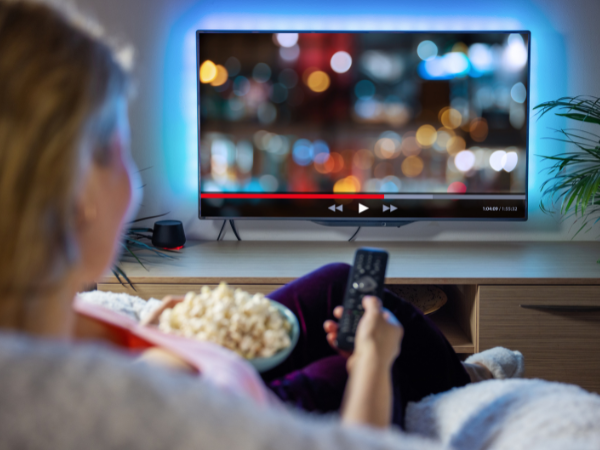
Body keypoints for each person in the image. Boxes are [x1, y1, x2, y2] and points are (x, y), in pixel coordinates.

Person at [1, 1, 600, 449]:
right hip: (240, 401)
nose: (135, 181)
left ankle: (459, 371)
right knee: (357, 349)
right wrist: (372, 364)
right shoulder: (105, 410)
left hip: (195, 377)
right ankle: (463, 380)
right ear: (78, 194)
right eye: (121, 152)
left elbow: (124, 381)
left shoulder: (43, 334)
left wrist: (163, 340)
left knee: (338, 283)